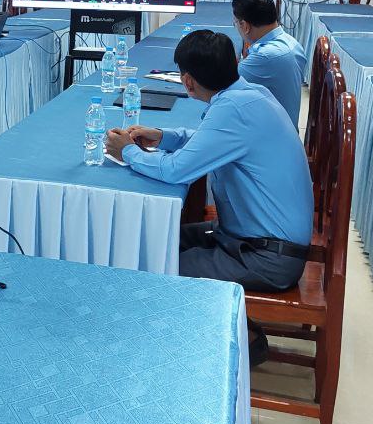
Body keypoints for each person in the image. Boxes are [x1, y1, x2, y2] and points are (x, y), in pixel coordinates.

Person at [105, 30, 312, 290]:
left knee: (153, 263)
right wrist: (163, 137)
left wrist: (127, 151)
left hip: (265, 256)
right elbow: (213, 142)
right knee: (154, 240)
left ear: (187, 81)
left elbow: (175, 170)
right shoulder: (251, 93)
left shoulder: (232, 109)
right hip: (251, 238)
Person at [232, 0, 307, 124]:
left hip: (269, 133)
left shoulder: (265, 57)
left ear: (245, 26)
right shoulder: (292, 43)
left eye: (235, 23)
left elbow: (222, 87)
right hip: (285, 125)